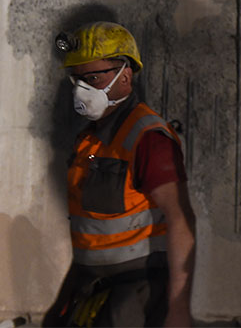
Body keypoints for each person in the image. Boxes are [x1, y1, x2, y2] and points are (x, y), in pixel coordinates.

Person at [43, 22, 196, 328]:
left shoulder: (148, 137)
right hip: (92, 292)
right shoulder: (89, 141)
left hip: (135, 297)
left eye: (93, 78)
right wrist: (61, 303)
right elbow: (93, 235)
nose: (81, 89)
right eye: (76, 79)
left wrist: (178, 310)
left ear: (125, 75)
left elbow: (181, 219)